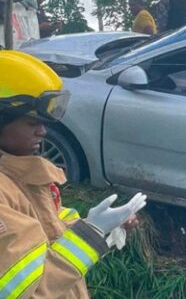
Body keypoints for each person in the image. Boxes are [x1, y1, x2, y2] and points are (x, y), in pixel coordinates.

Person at [0, 50, 147, 298]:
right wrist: (89, 235)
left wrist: (100, 228)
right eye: (32, 123)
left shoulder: (20, 176)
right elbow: (31, 292)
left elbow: (50, 229)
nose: (43, 132)